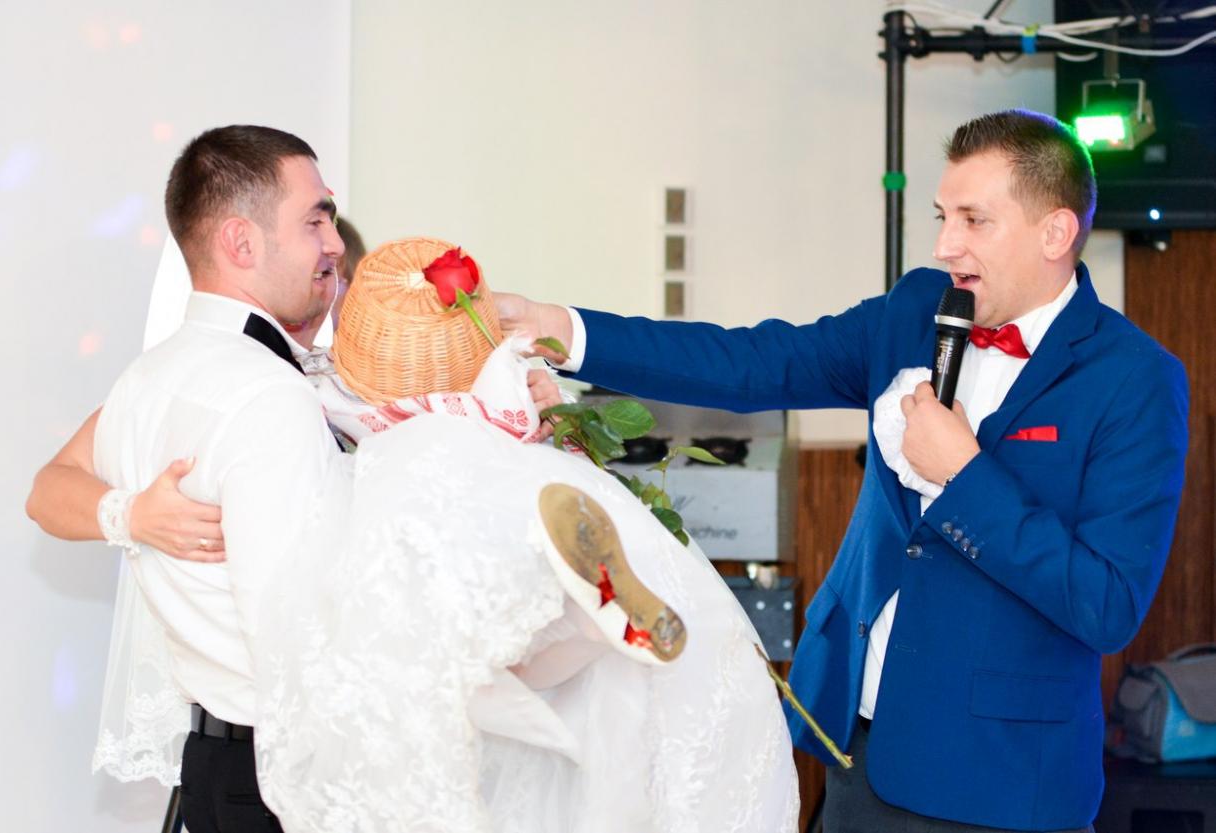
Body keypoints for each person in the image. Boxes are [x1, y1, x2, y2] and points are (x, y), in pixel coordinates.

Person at [496, 109, 1189, 833]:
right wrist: (562, 329)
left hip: (1002, 779)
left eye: (974, 221)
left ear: (1055, 232)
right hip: (855, 742)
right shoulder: (916, 308)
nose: (945, 245)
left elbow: (1106, 604)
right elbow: (754, 361)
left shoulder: (1135, 380)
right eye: (943, 216)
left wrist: (963, 475)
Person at [28, 181, 800, 828]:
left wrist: (520, 412)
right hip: (279, 750)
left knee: (460, 563)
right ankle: (579, 612)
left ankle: (577, 607)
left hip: (289, 735)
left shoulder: (324, 386)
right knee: (469, 609)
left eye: (340, 278)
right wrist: (130, 514)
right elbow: (49, 489)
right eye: (318, 241)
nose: (329, 270)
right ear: (247, 247)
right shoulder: (240, 387)